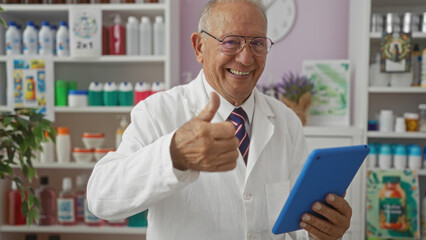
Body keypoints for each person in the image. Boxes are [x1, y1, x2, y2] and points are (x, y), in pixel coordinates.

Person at [87, 0, 352, 239]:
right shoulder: (158, 112)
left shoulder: (286, 121)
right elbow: (101, 200)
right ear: (199, 47)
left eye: (257, 43)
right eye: (231, 42)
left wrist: (323, 232)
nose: (246, 58)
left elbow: (297, 227)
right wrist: (174, 154)